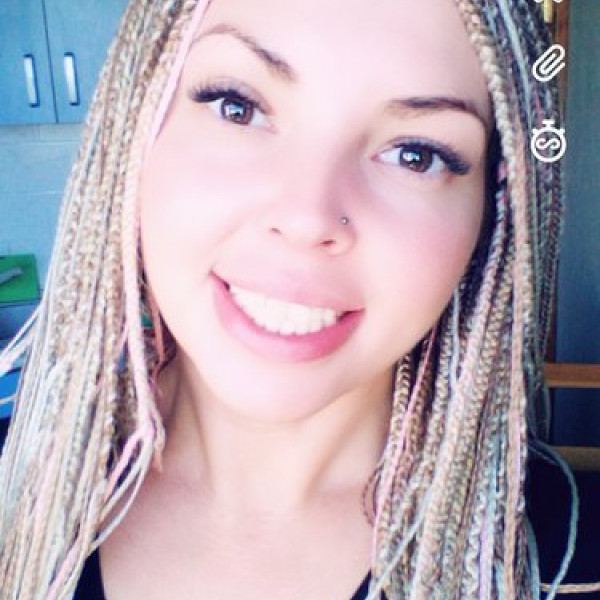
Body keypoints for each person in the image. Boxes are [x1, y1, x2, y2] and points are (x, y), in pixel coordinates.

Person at [0, 0, 588, 598]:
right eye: (238, 107)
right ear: (134, 127)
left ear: (491, 215)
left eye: (416, 155)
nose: (308, 218)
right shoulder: (12, 484)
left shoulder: (569, 565)